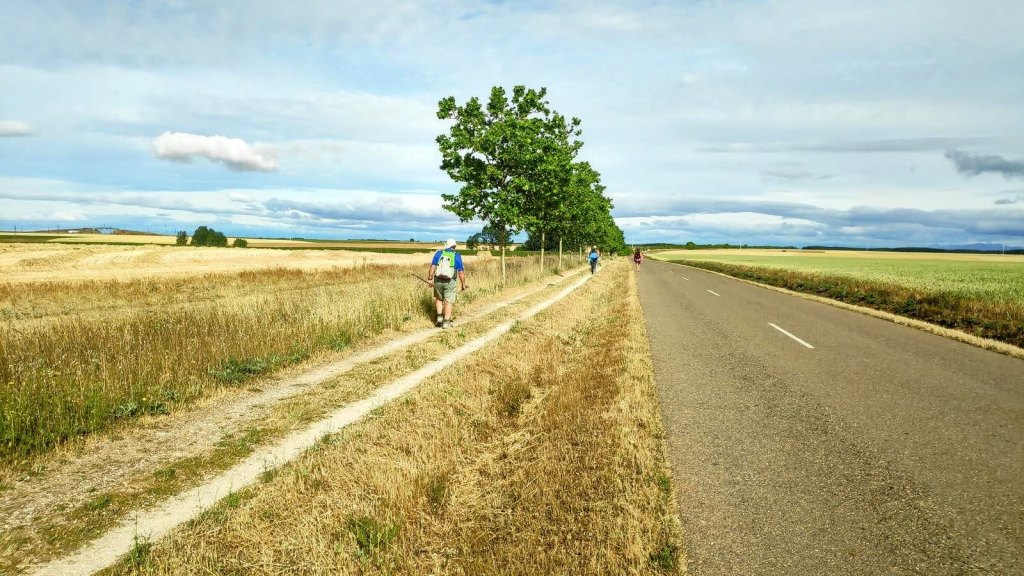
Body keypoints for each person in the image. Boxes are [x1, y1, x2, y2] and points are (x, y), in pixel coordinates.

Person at [427, 238, 467, 329]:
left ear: (446, 245)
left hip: (438, 280)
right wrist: (463, 283)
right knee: (449, 301)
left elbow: (433, 267)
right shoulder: (456, 255)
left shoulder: (438, 253)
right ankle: (446, 322)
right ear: (454, 246)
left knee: (439, 298)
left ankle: (439, 318)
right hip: (450, 281)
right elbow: (461, 272)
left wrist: (430, 279)